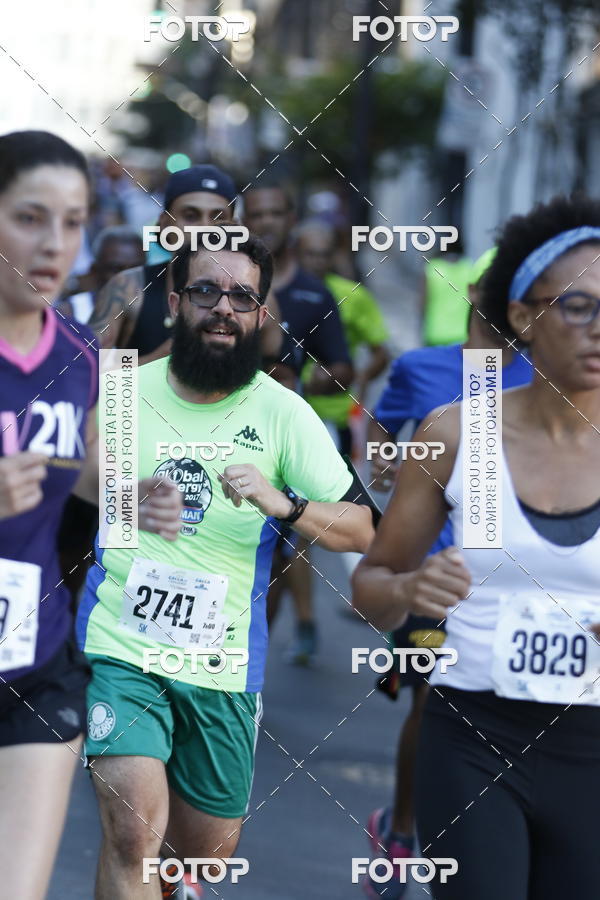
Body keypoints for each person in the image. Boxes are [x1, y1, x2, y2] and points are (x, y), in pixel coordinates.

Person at [76, 231, 375, 899]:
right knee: (131, 833)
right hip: (123, 643)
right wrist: (124, 493)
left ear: (261, 317)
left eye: (242, 296)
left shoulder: (283, 415)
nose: (223, 307)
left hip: (222, 660)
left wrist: (287, 504)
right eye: (206, 290)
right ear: (178, 302)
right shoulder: (125, 391)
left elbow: (363, 528)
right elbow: (77, 482)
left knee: (205, 856)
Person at [353, 193, 600, 899]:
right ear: (523, 315)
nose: (599, 329)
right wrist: (407, 590)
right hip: (472, 736)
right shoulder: (460, 432)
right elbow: (372, 585)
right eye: (580, 307)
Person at [0, 129, 179, 900]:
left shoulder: (80, 353)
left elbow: (93, 474)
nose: (54, 243)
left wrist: (133, 495)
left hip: (34, 662)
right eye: (29, 218)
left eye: (72, 222)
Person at [362, 249, 532, 899]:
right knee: (431, 696)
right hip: (432, 571)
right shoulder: (421, 367)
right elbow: (380, 426)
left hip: (510, 579)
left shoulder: (538, 374)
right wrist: (383, 465)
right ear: (477, 298)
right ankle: (402, 828)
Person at [243, 184, 354, 663]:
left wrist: (304, 379)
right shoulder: (225, 278)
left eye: (276, 212)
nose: (266, 221)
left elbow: (341, 365)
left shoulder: (313, 291)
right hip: (213, 432)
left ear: (291, 218)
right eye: (257, 213)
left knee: (281, 550)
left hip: (283, 440)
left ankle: (250, 664)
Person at [88, 164, 284, 365]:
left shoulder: (254, 297)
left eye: (218, 218)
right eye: (190, 216)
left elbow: (279, 376)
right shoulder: (129, 288)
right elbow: (87, 367)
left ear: (234, 228)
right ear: (164, 225)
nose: (205, 229)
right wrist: (158, 359)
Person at [296, 219, 389, 454]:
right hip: (289, 408)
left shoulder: (353, 295)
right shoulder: (278, 291)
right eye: (309, 254)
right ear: (294, 253)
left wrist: (360, 379)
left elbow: (381, 352)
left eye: (324, 255)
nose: (317, 262)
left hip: (338, 414)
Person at [57, 225, 145, 324]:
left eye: (136, 269)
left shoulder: (157, 310)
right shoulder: (69, 312)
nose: (127, 278)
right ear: (95, 271)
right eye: (116, 269)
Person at [420, 235, 472, 347]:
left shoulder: (432, 268)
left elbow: (423, 303)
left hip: (436, 333)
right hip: (462, 335)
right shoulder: (469, 268)